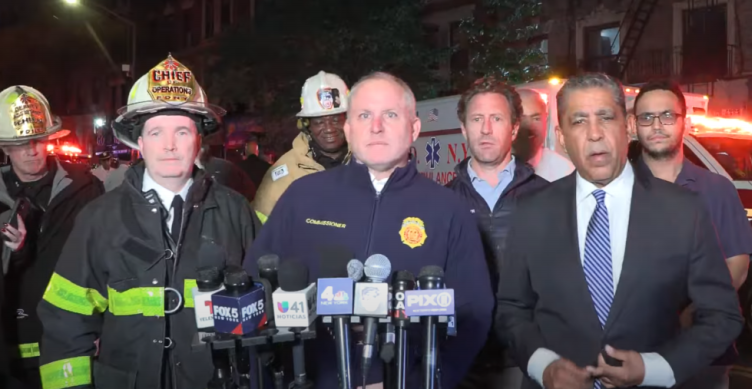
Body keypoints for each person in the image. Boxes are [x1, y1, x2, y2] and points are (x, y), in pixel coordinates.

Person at [244, 72, 493, 389]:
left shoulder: (449, 210)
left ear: (414, 128)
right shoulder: (300, 196)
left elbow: (474, 313)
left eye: (390, 114)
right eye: (364, 115)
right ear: (349, 128)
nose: (376, 127)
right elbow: (256, 290)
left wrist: (416, 381)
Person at [495, 73, 743, 389]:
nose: (595, 134)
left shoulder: (684, 210)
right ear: (561, 136)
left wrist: (656, 368)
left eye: (605, 118)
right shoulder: (531, 211)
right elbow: (511, 309)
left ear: (626, 126)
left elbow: (723, 317)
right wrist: (543, 366)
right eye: (579, 121)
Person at [37, 54, 261, 389]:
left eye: (182, 131)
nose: (169, 145)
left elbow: (264, 314)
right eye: (156, 132)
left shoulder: (236, 211)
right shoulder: (99, 219)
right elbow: (64, 323)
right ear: (139, 142)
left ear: (199, 140)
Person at [631, 80, 752, 389]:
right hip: (633, 351)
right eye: (646, 117)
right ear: (633, 125)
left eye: (667, 115)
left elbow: (737, 264)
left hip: (706, 350)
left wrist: (693, 310)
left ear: (684, 123)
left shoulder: (717, 189)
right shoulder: (616, 188)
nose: (657, 125)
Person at [0, 85, 105, 389]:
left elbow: (101, 261)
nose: (32, 150)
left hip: (71, 339)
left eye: (38, 140)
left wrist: (101, 328)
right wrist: (16, 251)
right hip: (11, 346)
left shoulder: (86, 188)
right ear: (5, 148)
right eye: (21, 144)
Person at [447, 79, 548, 389]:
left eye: (497, 118)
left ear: (514, 129)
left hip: (528, 361)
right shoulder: (441, 203)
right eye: (477, 119)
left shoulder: (549, 199)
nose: (486, 129)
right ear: (463, 129)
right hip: (462, 362)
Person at [251, 71, 350, 222]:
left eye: (336, 119)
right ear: (306, 125)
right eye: (319, 122)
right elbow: (260, 233)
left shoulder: (373, 163)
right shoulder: (284, 175)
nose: (329, 128)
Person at [516, 88, 574, 181]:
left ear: (545, 120)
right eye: (522, 119)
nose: (529, 126)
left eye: (536, 118)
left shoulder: (565, 173)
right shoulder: (491, 167)